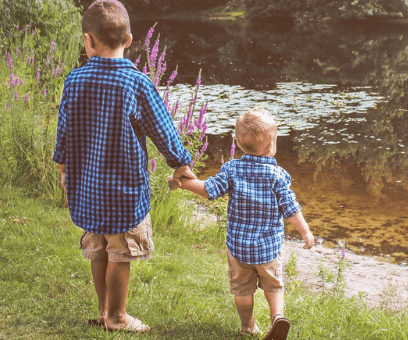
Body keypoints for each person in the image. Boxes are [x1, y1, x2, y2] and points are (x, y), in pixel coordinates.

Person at [53, 0, 196, 333]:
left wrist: (62, 168)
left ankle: (103, 311)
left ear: (87, 40)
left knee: (100, 247)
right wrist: (180, 164)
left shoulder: (74, 80)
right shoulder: (137, 83)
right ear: (129, 40)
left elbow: (64, 129)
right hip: (123, 189)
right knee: (120, 252)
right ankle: (117, 316)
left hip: (86, 186)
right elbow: (163, 130)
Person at [168, 107, 315, 340]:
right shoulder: (277, 175)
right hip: (268, 248)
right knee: (274, 286)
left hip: (239, 247)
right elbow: (291, 208)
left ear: (237, 143)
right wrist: (305, 232)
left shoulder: (232, 169)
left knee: (242, 290)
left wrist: (182, 183)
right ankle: (277, 318)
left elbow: (208, 190)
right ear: (272, 145)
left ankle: (248, 327)